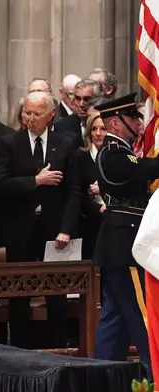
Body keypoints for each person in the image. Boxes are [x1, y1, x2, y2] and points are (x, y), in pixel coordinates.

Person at [0, 91, 81, 349]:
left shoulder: (66, 142)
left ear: (50, 115)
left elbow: (73, 191)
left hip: (54, 229)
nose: (30, 118)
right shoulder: (10, 143)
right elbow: (1, 185)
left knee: (57, 292)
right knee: (19, 291)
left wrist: (66, 229)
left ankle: (58, 347)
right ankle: (20, 348)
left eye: (36, 113)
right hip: (20, 228)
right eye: (26, 113)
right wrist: (35, 181)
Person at [92, 93, 159, 375]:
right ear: (117, 123)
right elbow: (147, 168)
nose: (139, 123)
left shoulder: (122, 152)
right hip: (126, 245)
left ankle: (102, 376)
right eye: (134, 118)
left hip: (120, 244)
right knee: (142, 314)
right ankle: (154, 369)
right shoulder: (113, 153)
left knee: (115, 319)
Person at [76, 112, 107, 260]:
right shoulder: (80, 157)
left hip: (112, 220)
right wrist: (97, 208)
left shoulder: (117, 156)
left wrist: (103, 189)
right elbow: (75, 192)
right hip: (89, 222)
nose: (98, 133)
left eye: (103, 128)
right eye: (94, 129)